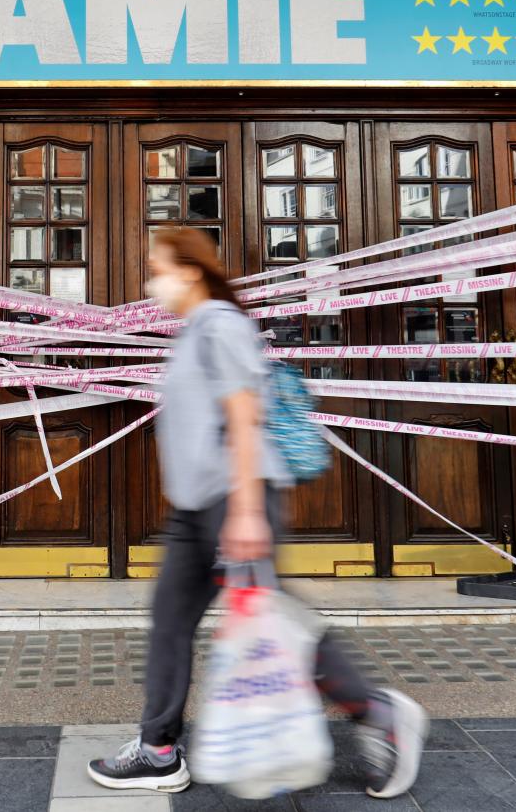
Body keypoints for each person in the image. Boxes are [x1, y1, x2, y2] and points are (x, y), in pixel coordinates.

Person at [87, 228, 428, 799]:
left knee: (274, 625)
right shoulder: (196, 330)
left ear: (189, 271)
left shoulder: (220, 324)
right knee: (171, 622)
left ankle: (380, 713)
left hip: (233, 501)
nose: (151, 281)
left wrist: (244, 512)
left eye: (157, 268)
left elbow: (244, 414)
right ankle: (159, 750)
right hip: (197, 508)